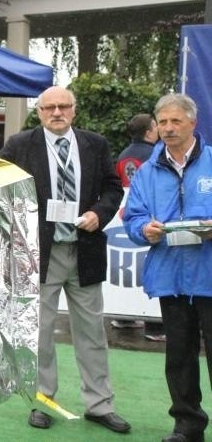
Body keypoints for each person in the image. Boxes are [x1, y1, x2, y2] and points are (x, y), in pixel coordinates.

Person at [0, 86, 131, 434]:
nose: (56, 112)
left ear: (74, 110)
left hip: (83, 249)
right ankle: (43, 402)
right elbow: (1, 189)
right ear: (38, 112)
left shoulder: (95, 144)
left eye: (63, 106)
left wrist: (98, 214)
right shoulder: (18, 145)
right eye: (49, 107)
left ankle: (100, 405)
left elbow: (113, 187)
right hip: (39, 254)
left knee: (91, 333)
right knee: (40, 334)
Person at [123, 93, 212, 442]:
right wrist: (144, 229)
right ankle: (188, 426)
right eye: (163, 122)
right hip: (171, 279)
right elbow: (133, 217)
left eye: (176, 121)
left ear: (193, 122)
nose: (169, 128)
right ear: (155, 127)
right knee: (179, 358)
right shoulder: (147, 172)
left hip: (209, 278)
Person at [113, 113, 165, 339]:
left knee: (125, 269)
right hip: (150, 219)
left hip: (126, 216)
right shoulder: (156, 154)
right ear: (149, 131)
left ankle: (123, 317)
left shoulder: (124, 154)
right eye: (157, 125)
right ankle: (155, 325)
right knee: (151, 267)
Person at [116, 113, 159, 187]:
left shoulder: (122, 156)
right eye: (155, 126)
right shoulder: (157, 155)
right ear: (148, 134)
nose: (158, 128)